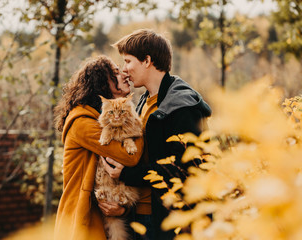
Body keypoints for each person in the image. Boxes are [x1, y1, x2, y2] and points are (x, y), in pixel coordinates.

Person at [101, 29, 212, 240]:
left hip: (166, 220)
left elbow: (182, 168)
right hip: (138, 215)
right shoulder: (144, 102)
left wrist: (125, 174)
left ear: (147, 60)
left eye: (128, 61)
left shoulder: (182, 106)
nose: (124, 70)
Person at [53, 55, 144, 240]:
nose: (124, 75)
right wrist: (136, 123)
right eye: (116, 73)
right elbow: (130, 157)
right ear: (102, 83)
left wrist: (121, 208)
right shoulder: (82, 123)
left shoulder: (98, 119)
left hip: (100, 216)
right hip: (81, 219)